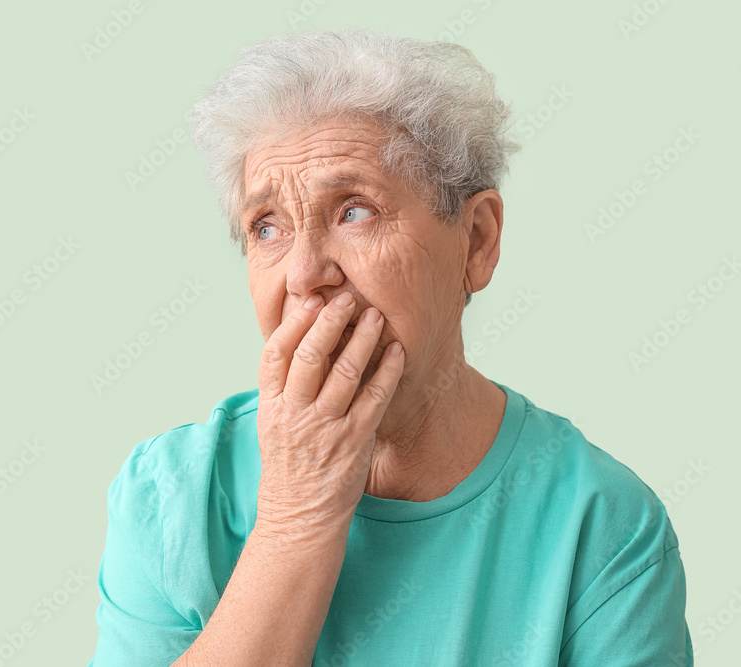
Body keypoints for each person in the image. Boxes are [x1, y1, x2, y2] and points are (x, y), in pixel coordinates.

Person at [89, 27, 692, 666]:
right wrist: (296, 517)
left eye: (355, 211)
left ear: (478, 241)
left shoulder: (604, 528)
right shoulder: (173, 495)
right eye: (267, 227)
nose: (302, 274)